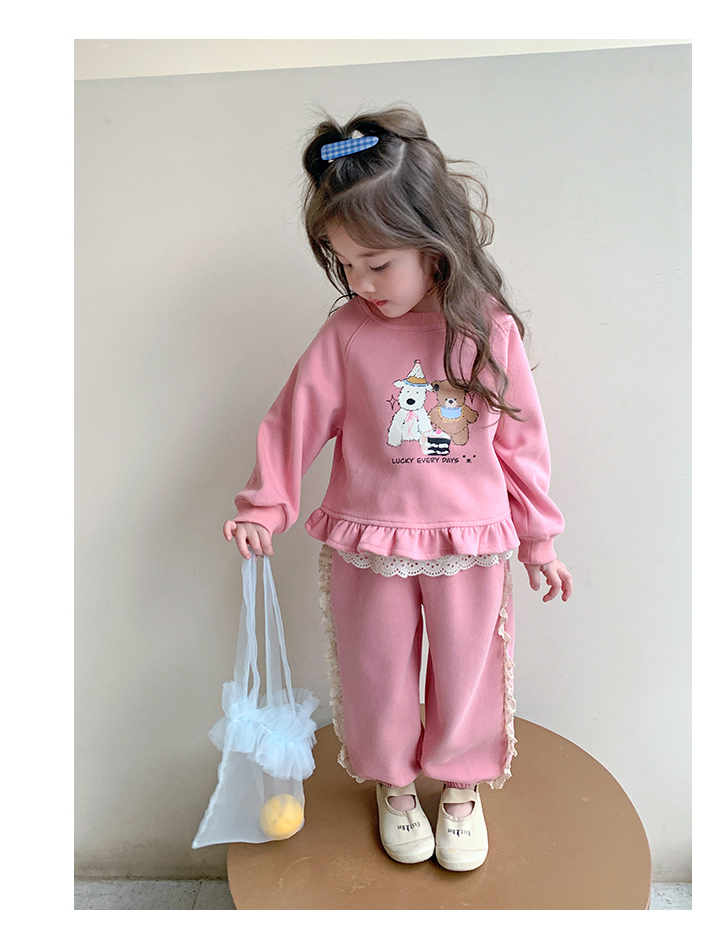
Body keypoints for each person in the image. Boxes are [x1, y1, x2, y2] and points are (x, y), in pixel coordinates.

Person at [224, 106, 572, 872]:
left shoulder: (486, 329)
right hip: (369, 538)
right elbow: (293, 422)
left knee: (468, 668)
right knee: (376, 668)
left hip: (470, 541)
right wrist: (265, 506)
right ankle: (394, 785)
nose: (359, 282)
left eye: (377, 264)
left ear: (432, 243)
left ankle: (461, 788)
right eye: (343, 263)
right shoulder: (347, 333)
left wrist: (540, 539)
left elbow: (520, 442)